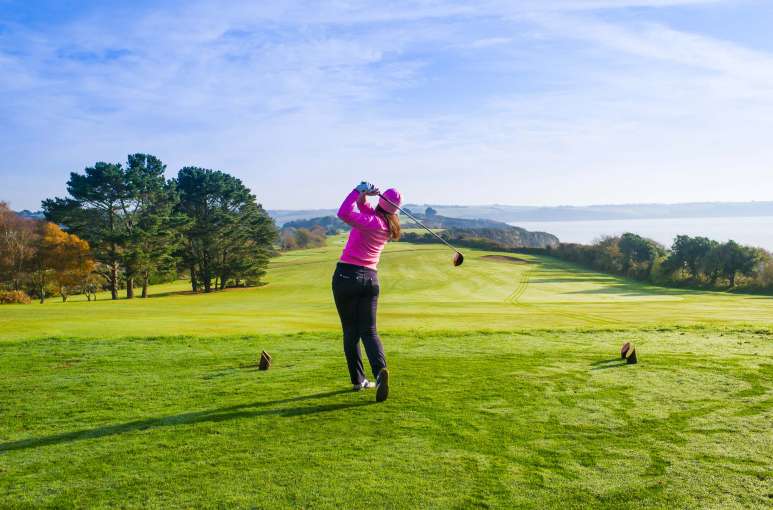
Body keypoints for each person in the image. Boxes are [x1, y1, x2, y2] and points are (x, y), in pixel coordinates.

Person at [333, 182, 401, 402]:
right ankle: (380, 373)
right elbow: (364, 207)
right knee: (369, 331)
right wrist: (364, 195)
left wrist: (356, 190)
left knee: (351, 332)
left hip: (346, 276)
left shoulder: (372, 222)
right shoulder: (386, 224)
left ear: (381, 202)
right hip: (370, 280)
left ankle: (358, 381)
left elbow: (343, 212)